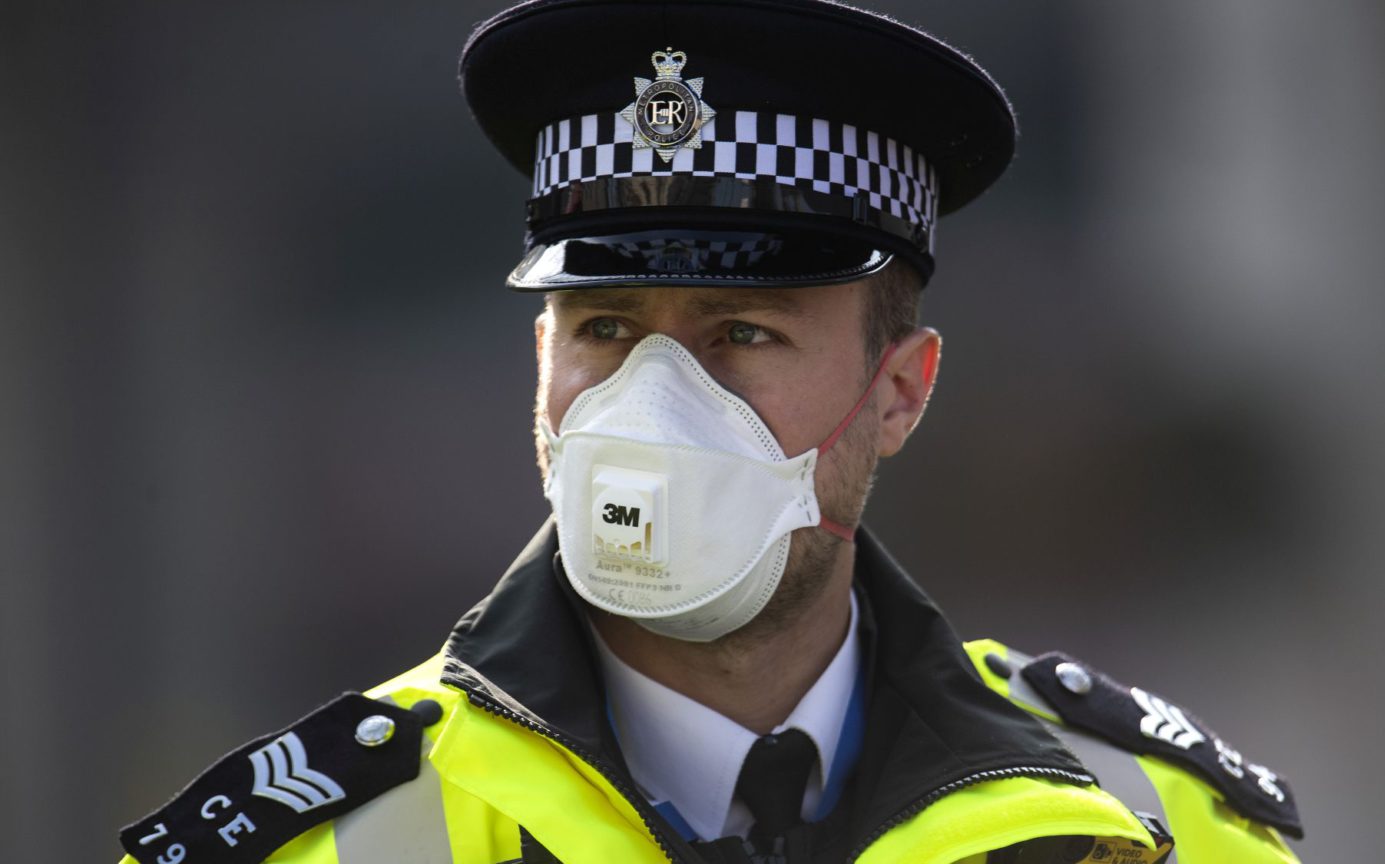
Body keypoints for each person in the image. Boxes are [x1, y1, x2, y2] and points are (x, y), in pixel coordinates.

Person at [117, 1, 1304, 862]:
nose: (654, 400)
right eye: (607, 328)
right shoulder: (321, 845)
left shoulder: (1148, 824)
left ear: (899, 393)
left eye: (741, 333)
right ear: (543, 359)